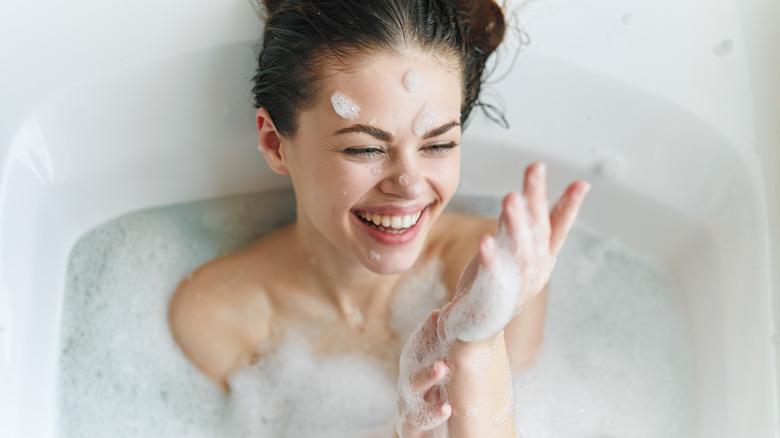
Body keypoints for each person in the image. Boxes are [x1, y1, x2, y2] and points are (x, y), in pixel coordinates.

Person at [168, 0, 589, 436]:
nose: (409, 184)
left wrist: (475, 347)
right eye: (365, 148)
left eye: (438, 145)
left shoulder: (489, 272)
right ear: (275, 145)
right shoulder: (220, 315)